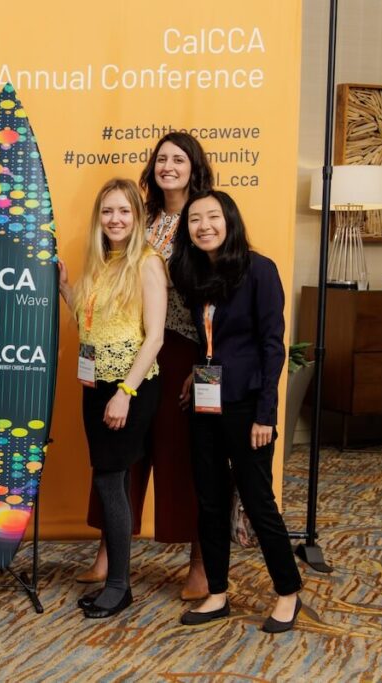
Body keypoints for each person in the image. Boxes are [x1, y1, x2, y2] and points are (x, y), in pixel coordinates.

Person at [78, 132, 213, 601]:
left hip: (185, 347)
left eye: (179, 159)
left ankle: (200, 560)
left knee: (181, 453)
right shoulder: (140, 215)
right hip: (126, 347)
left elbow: (220, 290)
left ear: (194, 165)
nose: (168, 167)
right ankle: (109, 551)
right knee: (120, 460)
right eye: (161, 159)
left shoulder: (205, 215)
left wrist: (207, 366)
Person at [169, 189, 305, 633]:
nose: (203, 226)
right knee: (209, 501)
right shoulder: (197, 274)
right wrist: (196, 372)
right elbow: (212, 341)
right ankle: (218, 593)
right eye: (194, 220)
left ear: (229, 220)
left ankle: (288, 592)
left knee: (258, 501)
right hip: (207, 403)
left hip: (248, 407)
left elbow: (271, 348)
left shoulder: (260, 270)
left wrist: (266, 415)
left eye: (212, 217)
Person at [59, 178, 166, 618]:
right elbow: (90, 323)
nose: (115, 219)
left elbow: (155, 338)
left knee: (110, 480)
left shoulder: (146, 262)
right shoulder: (103, 261)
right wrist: (67, 288)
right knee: (110, 480)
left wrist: (125, 393)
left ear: (137, 217)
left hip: (130, 387)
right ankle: (116, 579)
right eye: (107, 212)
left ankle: (120, 586)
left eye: (124, 211)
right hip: (95, 384)